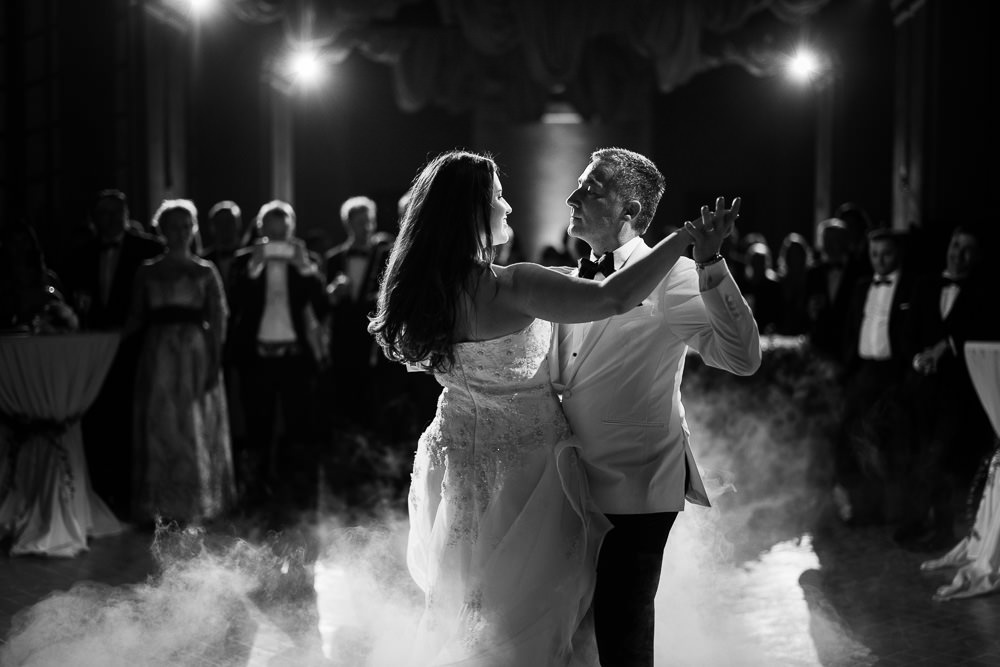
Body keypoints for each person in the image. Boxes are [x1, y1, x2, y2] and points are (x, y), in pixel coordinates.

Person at [368, 149, 736, 664]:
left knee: (477, 608)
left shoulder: (425, 294)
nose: (508, 208)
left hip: (460, 470)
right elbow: (612, 299)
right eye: (497, 197)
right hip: (531, 476)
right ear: (472, 211)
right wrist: (682, 238)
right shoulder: (514, 284)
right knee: (541, 618)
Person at [549, 147, 760, 666]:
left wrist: (710, 262)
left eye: (591, 189)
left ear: (634, 213)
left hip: (636, 485)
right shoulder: (568, 278)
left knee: (623, 638)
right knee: (573, 637)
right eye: (578, 186)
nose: (573, 197)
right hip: (567, 484)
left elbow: (742, 358)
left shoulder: (672, 275)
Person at [126, 200, 235, 525]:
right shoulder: (147, 271)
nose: (180, 233)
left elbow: (219, 319)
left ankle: (193, 504)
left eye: (186, 226)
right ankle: (158, 506)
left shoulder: (205, 270)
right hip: (158, 354)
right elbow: (134, 317)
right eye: (173, 227)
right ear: (162, 230)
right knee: (160, 424)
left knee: (192, 426)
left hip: (194, 355)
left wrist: (214, 361)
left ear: (193, 230)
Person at [893, 225, 1000, 550]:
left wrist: (946, 347)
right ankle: (915, 520)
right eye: (955, 245)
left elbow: (983, 330)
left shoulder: (984, 292)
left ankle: (943, 527)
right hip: (920, 388)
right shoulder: (925, 285)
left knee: (944, 457)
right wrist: (916, 359)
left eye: (967, 249)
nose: (959, 254)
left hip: (957, 392)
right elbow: (908, 331)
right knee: (917, 453)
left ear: (977, 256)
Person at [60, 189, 165, 518]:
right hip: (92, 350)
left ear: (125, 215)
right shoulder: (81, 254)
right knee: (97, 419)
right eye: (101, 214)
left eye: (113, 214)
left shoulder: (149, 250)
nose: (107, 221)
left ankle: (132, 496)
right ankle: (100, 493)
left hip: (136, 348)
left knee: (133, 421)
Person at [228, 200, 328, 506]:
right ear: (261, 232)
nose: (277, 239)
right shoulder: (243, 261)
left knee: (300, 431)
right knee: (258, 431)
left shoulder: (305, 260)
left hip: (295, 359)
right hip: (257, 359)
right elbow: (234, 304)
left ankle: (301, 500)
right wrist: (255, 268)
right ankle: (257, 499)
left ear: (291, 231)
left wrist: (305, 268)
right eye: (271, 234)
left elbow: (324, 307)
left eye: (283, 233)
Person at [834, 228, 914, 526]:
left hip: (894, 375)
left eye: (886, 254)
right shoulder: (860, 286)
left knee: (892, 446)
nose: (880, 260)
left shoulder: (910, 287)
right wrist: (849, 371)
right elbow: (851, 330)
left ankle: (897, 515)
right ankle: (860, 509)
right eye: (874, 254)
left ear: (898, 254)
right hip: (863, 373)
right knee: (853, 443)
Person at [324, 196, 394, 428]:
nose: (366, 227)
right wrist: (333, 293)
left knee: (372, 396)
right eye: (360, 222)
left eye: (369, 221)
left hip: (373, 338)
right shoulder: (333, 259)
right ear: (348, 224)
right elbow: (324, 304)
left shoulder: (385, 254)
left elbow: (392, 293)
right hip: (342, 337)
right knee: (343, 393)